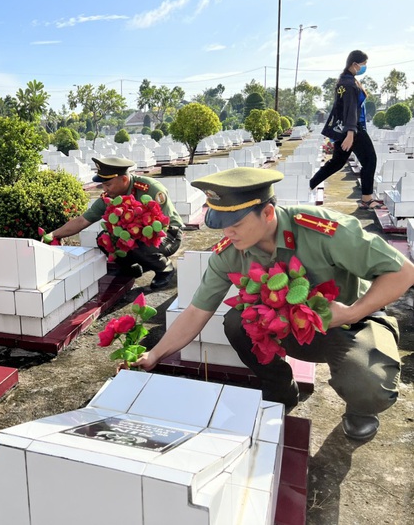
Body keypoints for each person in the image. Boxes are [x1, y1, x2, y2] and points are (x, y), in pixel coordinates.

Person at [135, 167, 414, 441]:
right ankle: (279, 388)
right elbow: (197, 311)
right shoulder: (231, 251)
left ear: (267, 213)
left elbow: (402, 272)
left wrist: (352, 312)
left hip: (349, 320)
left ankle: (361, 408)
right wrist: (155, 355)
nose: (228, 234)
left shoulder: (321, 230)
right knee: (236, 321)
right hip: (290, 326)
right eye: (222, 226)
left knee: (369, 384)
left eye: (236, 225)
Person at [44, 157, 185, 290]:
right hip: (138, 237)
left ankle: (165, 269)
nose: (104, 189)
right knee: (104, 239)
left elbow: (162, 225)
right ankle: (133, 268)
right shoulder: (110, 197)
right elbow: (82, 221)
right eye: (103, 185)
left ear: (124, 179)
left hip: (169, 235)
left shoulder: (149, 188)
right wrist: (54, 234)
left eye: (108, 184)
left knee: (133, 240)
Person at [313, 50, 380, 209]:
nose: (364, 67)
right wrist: (351, 133)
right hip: (353, 129)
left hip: (347, 128)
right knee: (370, 160)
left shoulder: (347, 80)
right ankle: (367, 199)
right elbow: (350, 109)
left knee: (337, 163)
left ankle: (310, 183)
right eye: (363, 64)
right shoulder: (349, 83)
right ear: (355, 64)